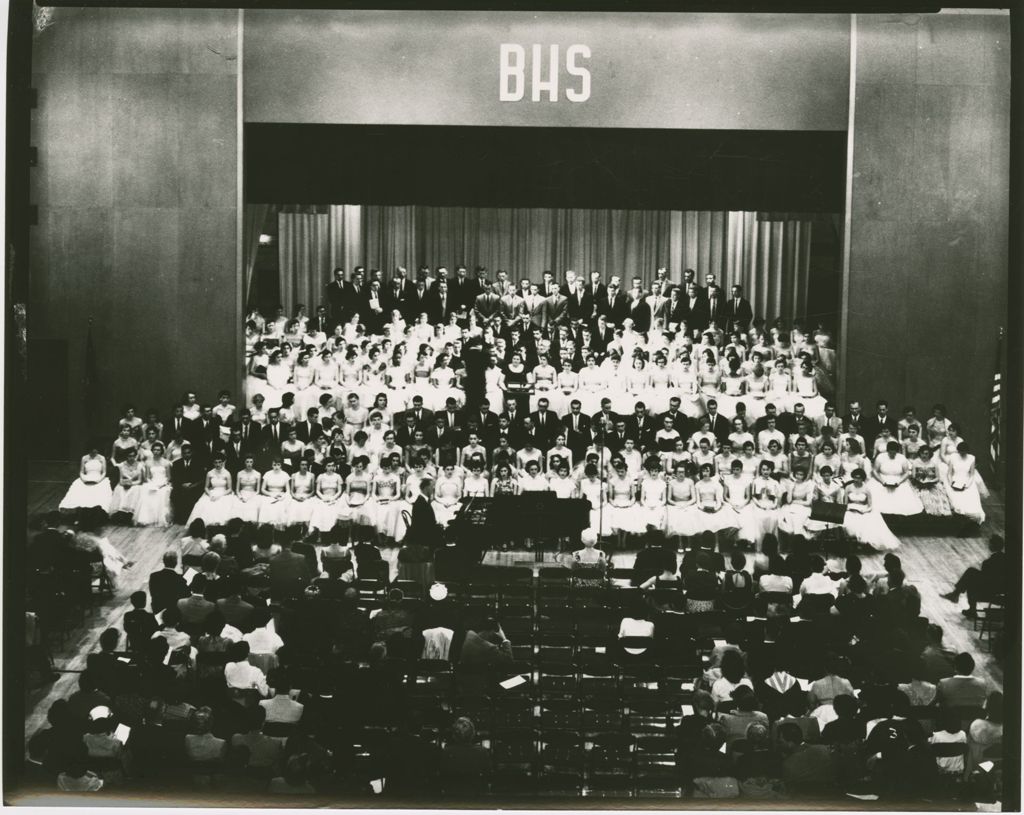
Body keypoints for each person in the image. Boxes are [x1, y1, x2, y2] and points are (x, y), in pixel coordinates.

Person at [942, 534, 1006, 618]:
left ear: (992, 545)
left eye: (990, 543)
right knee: (971, 575)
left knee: (970, 576)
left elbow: (985, 581)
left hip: (991, 591)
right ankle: (956, 595)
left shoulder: (988, 563)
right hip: (1003, 589)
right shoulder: (1007, 560)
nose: (988, 545)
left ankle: (959, 597)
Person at [59, 445, 113, 513]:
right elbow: (81, 472)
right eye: (92, 451)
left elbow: (104, 472)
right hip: (86, 478)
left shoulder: (102, 458)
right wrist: (84, 480)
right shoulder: (84, 458)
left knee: (100, 491)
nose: (94, 452)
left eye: (95, 451)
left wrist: (98, 481)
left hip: (99, 478)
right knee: (78, 488)